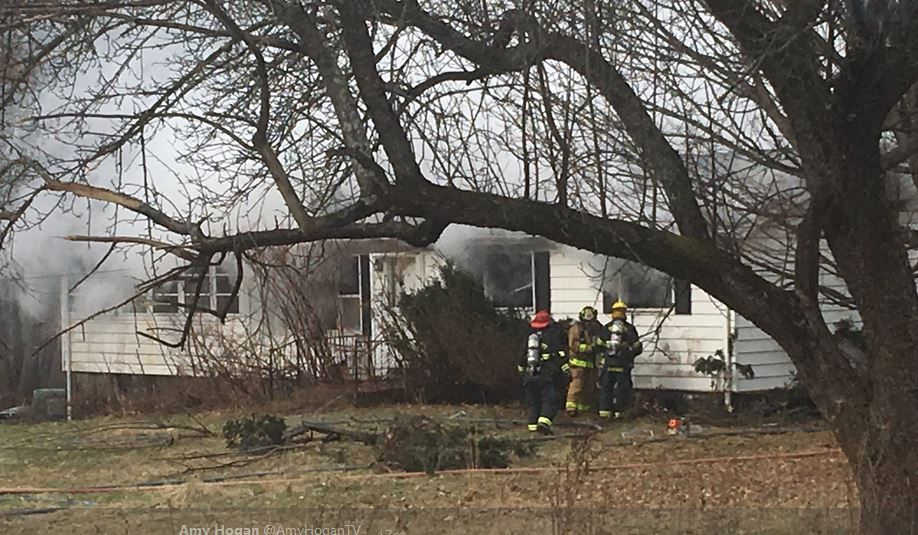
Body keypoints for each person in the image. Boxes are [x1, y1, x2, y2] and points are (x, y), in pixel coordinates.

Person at [517, 310, 568, 434]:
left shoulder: (530, 338)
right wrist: (565, 369)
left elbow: (521, 358)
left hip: (530, 376)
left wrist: (524, 373)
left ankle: (532, 427)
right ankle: (544, 424)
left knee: (534, 403)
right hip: (546, 375)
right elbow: (559, 354)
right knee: (550, 400)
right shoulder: (552, 337)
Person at [599, 300, 643, 419]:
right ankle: (620, 411)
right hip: (623, 364)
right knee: (622, 388)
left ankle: (604, 411)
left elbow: (598, 346)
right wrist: (629, 353)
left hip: (608, 364)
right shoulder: (629, 329)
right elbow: (638, 348)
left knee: (606, 387)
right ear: (624, 313)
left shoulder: (605, 328)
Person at [564, 306, 607, 417]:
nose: (589, 322)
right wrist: (590, 348)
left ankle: (584, 408)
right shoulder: (576, 328)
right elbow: (573, 345)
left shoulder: (597, 328)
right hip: (578, 362)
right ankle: (571, 407)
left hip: (591, 363)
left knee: (589, 386)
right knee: (577, 385)